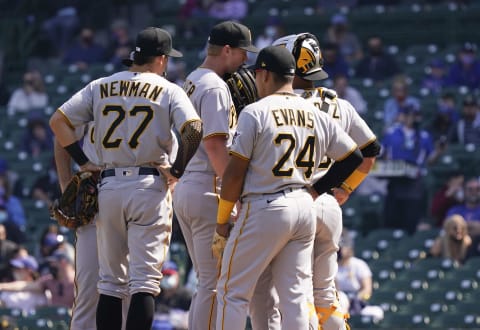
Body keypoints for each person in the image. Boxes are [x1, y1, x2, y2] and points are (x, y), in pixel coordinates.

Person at [49, 26, 202, 330]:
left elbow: (58, 122)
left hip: (108, 185)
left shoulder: (100, 85)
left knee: (109, 284)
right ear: (160, 59)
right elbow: (193, 130)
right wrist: (177, 170)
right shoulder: (168, 89)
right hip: (148, 184)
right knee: (143, 283)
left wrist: (84, 163)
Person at [214, 45, 363, 330]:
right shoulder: (315, 112)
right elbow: (354, 156)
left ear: (265, 74)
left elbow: (233, 175)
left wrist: (222, 222)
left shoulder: (255, 112)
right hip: (305, 204)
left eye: (257, 74)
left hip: (265, 205)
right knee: (295, 297)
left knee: (231, 293)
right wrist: (317, 191)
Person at [248, 33, 380, 330]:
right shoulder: (339, 104)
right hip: (327, 202)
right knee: (324, 292)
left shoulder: (275, 105)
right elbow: (370, 151)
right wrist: (345, 188)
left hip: (288, 200)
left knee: (288, 294)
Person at [172, 20, 258, 330]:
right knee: (214, 283)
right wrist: (235, 193)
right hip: (208, 185)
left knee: (208, 282)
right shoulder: (215, 86)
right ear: (226, 49)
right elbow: (214, 145)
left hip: (189, 185)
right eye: (242, 52)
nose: (245, 60)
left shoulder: (193, 79)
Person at [381, 104, 437, 234]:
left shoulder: (423, 136)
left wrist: (439, 150)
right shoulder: (392, 132)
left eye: (414, 115)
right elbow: (383, 153)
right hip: (395, 181)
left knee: (411, 221)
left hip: (414, 183)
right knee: (391, 220)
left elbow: (430, 159)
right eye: (409, 115)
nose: (411, 118)